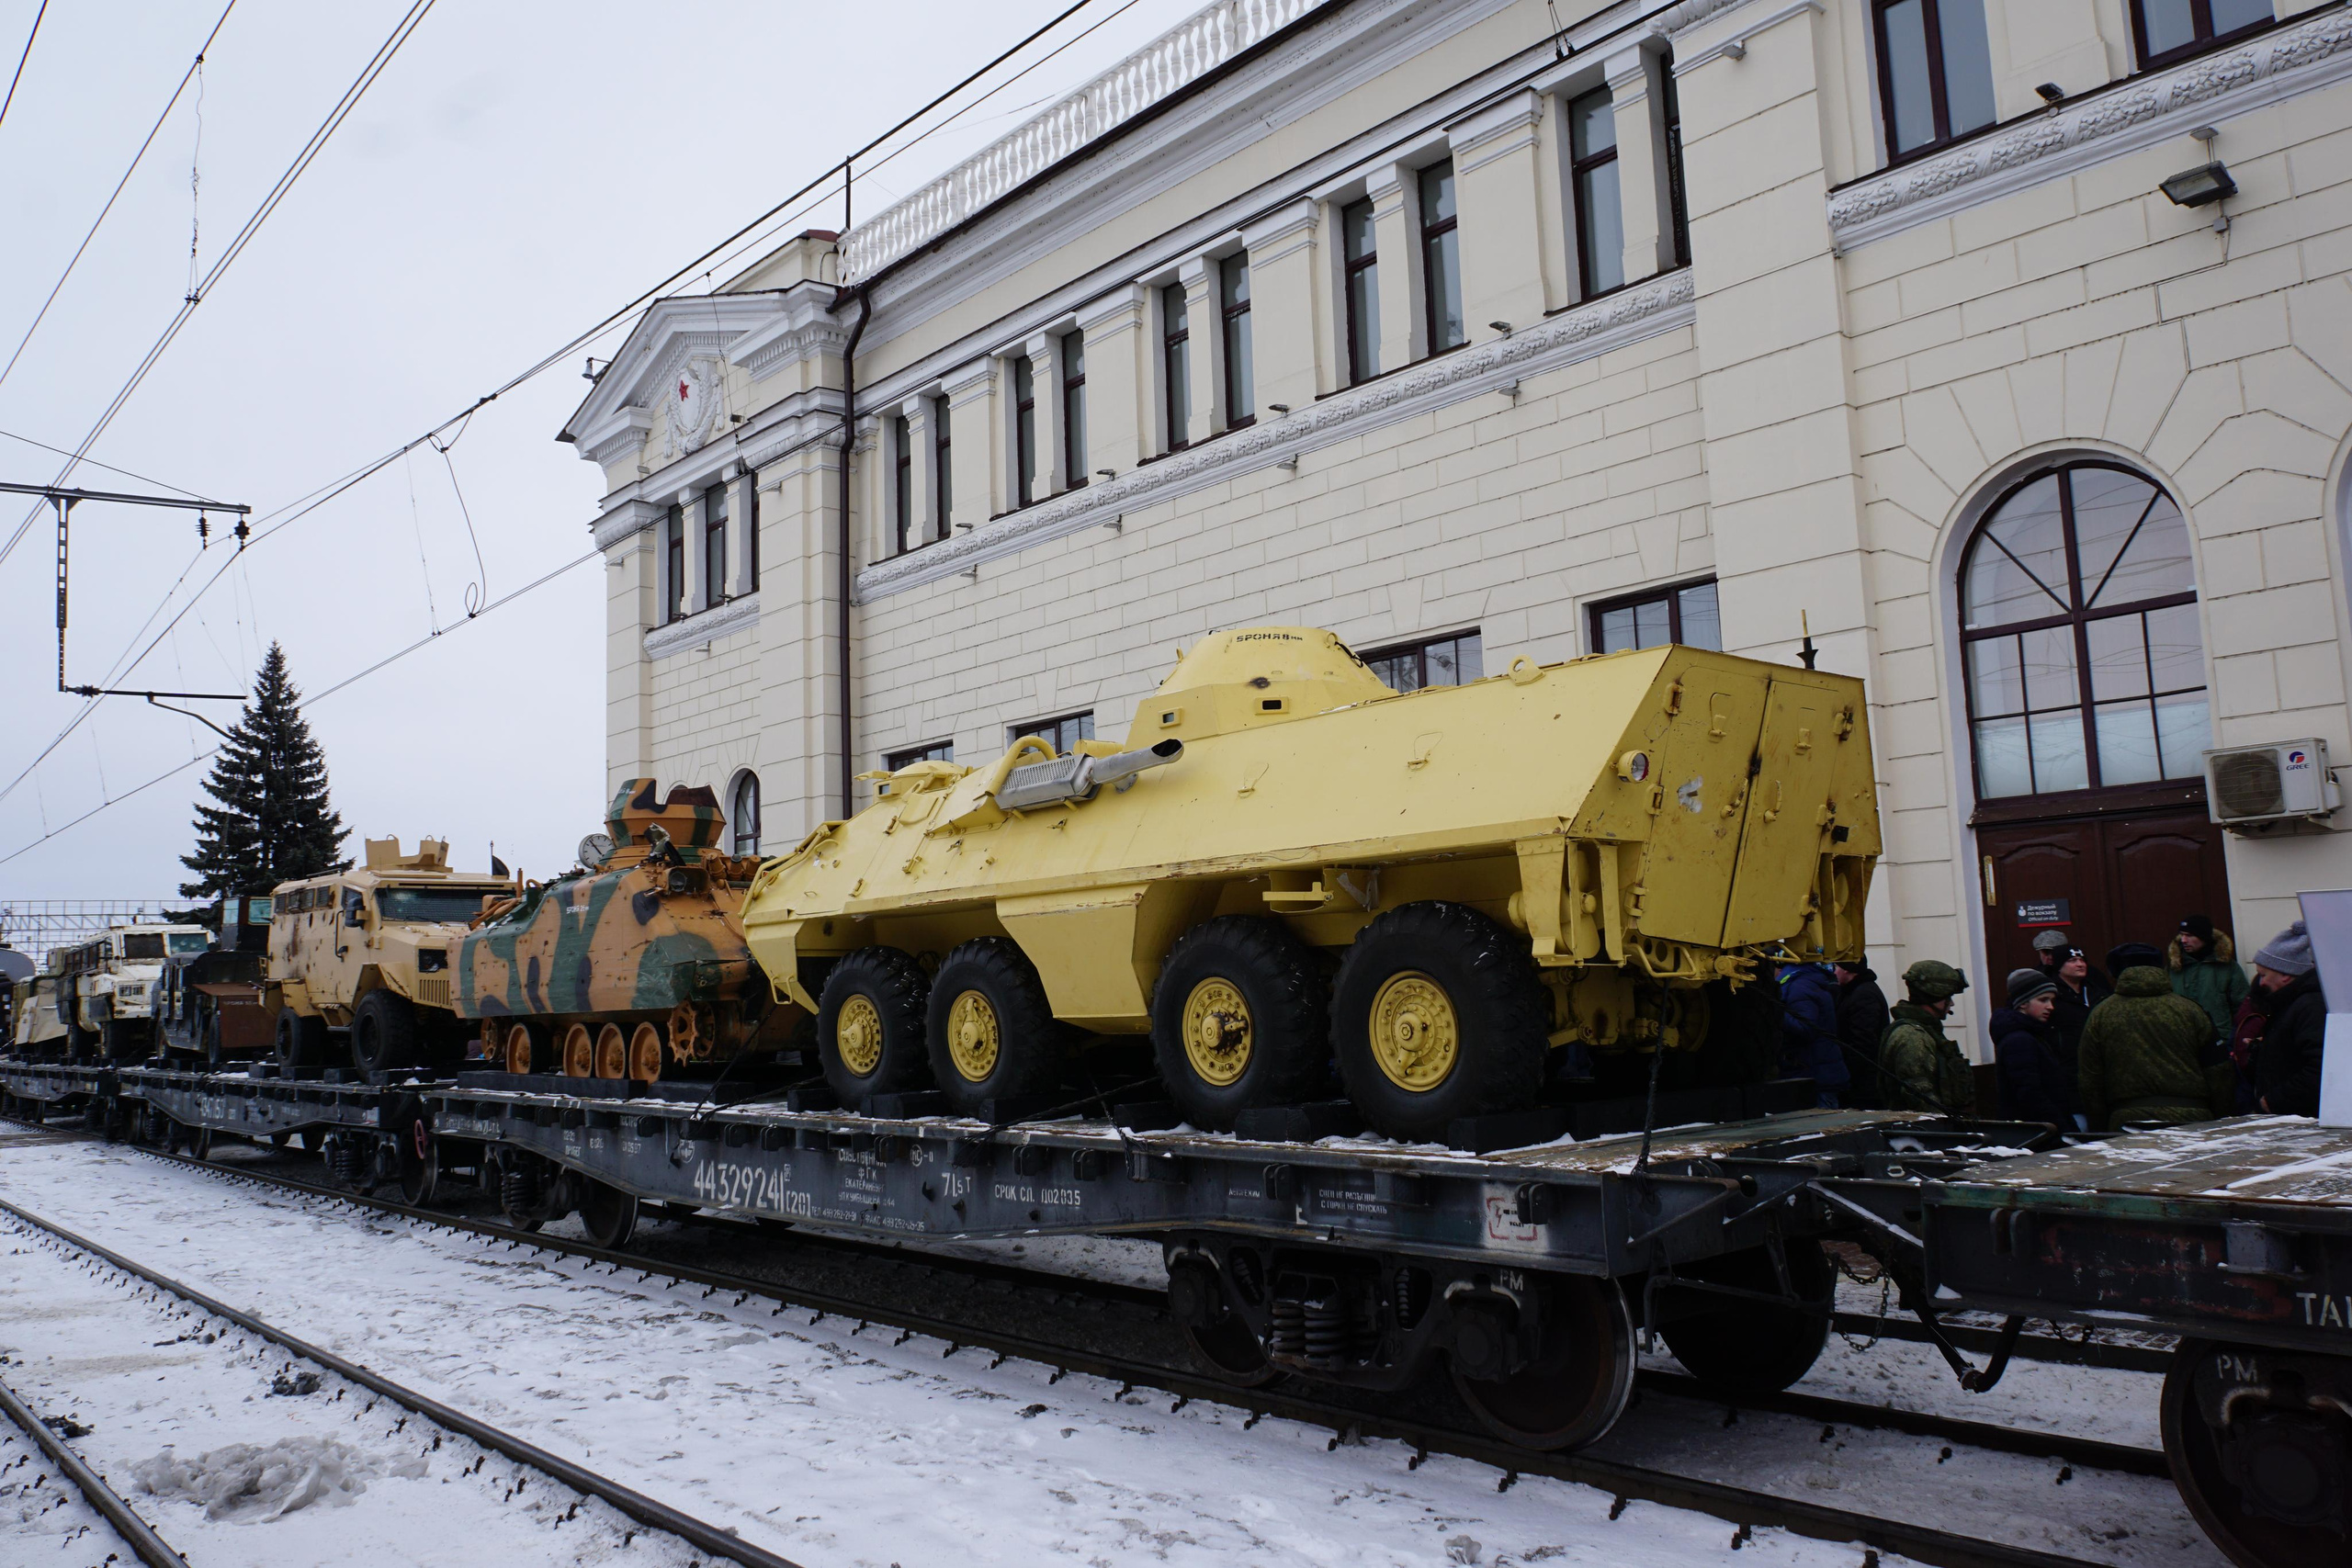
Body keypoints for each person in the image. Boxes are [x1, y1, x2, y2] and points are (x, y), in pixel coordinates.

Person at [2075, 944, 2232, 1131]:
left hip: (2127, 1122)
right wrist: (2221, 1119)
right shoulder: (2190, 1010)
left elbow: (2090, 1079)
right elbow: (2219, 1071)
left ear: (2117, 971)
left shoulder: (2101, 1014)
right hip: (2192, 1118)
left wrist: (2100, 1127)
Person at [2250, 920, 2327, 1118]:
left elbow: (2321, 1067)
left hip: (2302, 1120)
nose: (2261, 982)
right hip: (2294, 1117)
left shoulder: (2309, 1005)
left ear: (2285, 974)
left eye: (2263, 974)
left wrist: (2273, 1101)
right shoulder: (2293, 1003)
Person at [1880, 960, 1974, 1115]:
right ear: (1933, 996)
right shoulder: (1912, 1036)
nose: (1951, 1004)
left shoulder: (1925, 1031)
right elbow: (1920, 1097)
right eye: (1947, 997)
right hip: (1927, 1132)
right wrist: (1947, 1124)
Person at [1990, 968, 2080, 1130]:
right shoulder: (2019, 1040)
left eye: (2051, 1001)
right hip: (2036, 1133)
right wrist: (2061, 1128)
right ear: (2023, 1002)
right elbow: (2029, 1094)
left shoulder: (2030, 1034)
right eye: (2043, 1000)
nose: (2050, 1007)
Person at [2168, 914, 2248, 1045]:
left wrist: (2237, 1039)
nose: (2183, 940)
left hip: (2219, 1041)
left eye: (2189, 935)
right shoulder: (2174, 968)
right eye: (2182, 935)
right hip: (2181, 1041)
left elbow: (2242, 1006)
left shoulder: (2227, 967)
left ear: (2204, 937)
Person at [1777, 961, 1848, 1108]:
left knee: (1821, 1128)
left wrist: (1775, 1012)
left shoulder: (1798, 986)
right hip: (1818, 1073)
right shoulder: (1807, 981)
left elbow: (1805, 1028)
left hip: (1812, 1077)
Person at [1834, 957, 1891, 1107]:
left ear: (1846, 969)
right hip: (1862, 1082)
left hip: (1864, 1085)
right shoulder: (1856, 991)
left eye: (1836, 967)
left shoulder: (1863, 994)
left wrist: (1848, 1074)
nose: (1835, 972)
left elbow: (1863, 1042)